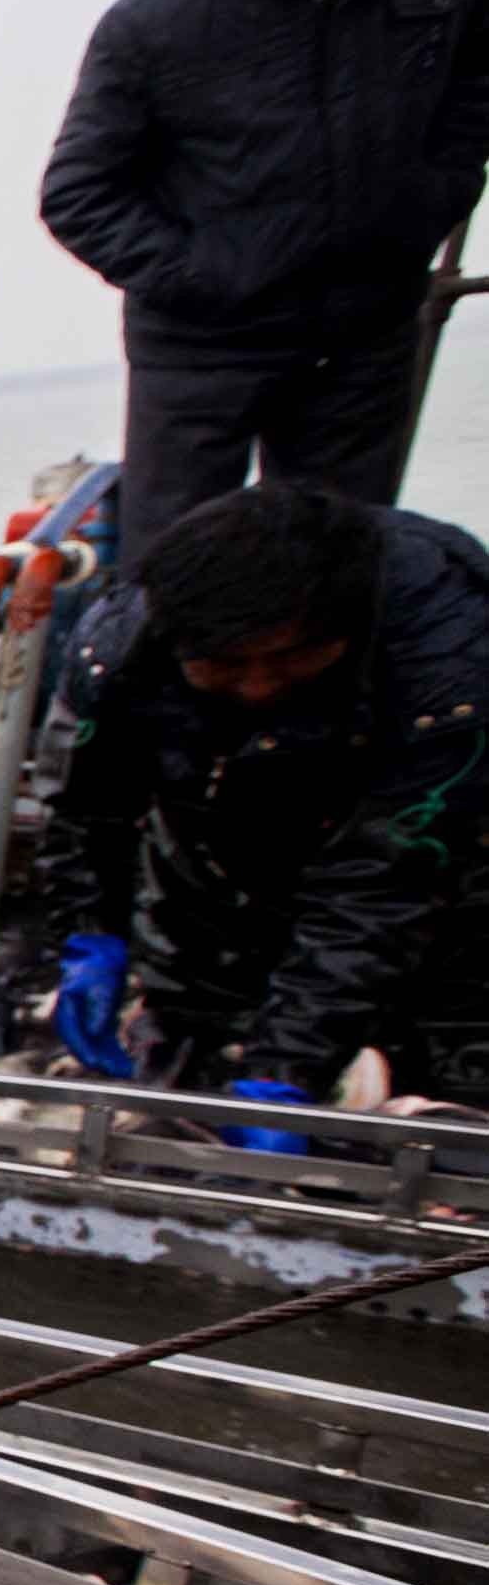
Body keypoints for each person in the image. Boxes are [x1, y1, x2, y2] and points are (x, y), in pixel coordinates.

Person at [39, 484, 489, 1143]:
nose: (257, 685)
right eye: (224, 664)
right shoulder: (117, 648)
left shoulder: (451, 663)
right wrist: (89, 936)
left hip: (436, 883)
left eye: (289, 658)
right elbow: (85, 808)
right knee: (185, 1064)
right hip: (218, 862)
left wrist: (286, 1073)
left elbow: (385, 884)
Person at [38, 0, 489, 561]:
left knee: (343, 571)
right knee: (178, 575)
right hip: (203, 351)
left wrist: (428, 206)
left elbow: (473, 87)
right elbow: (77, 195)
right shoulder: (155, 21)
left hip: (367, 331)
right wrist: (210, 279)